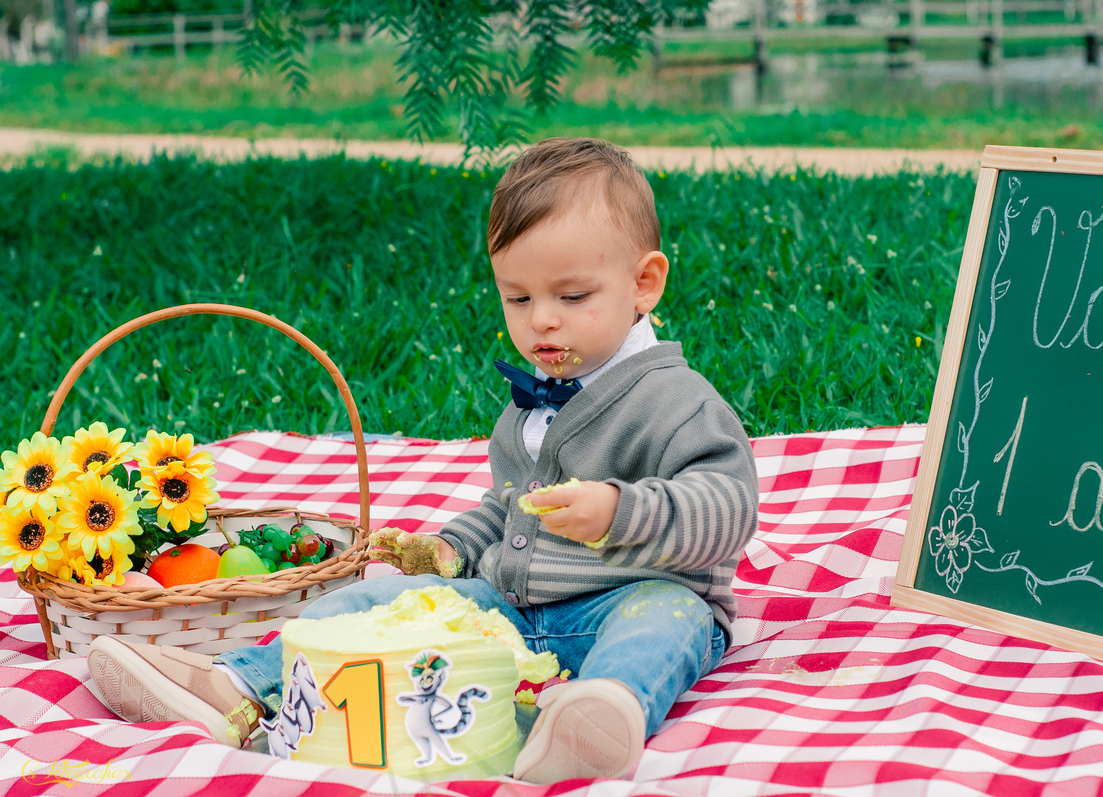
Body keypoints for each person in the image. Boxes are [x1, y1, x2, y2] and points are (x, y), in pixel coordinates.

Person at [87, 137, 760, 784]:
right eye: (518, 298)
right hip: (514, 609)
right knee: (369, 600)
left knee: (666, 625)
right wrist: (448, 550)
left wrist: (620, 510)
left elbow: (729, 507)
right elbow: (510, 511)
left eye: (572, 296)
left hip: (634, 595)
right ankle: (236, 685)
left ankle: (597, 715)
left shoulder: (674, 398)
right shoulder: (531, 409)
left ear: (644, 284)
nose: (541, 322)